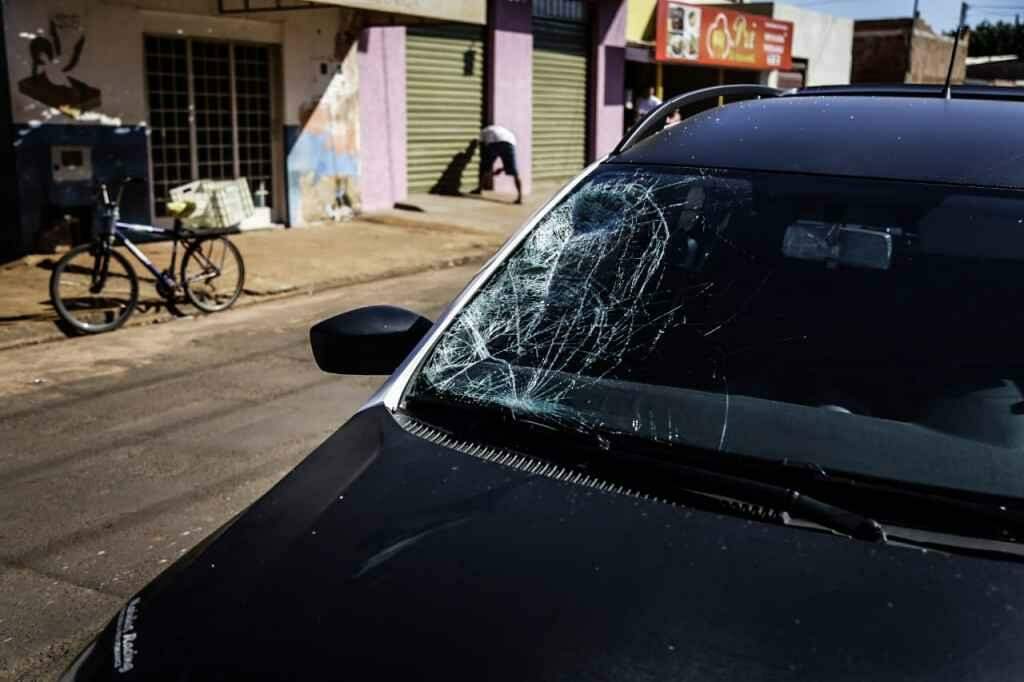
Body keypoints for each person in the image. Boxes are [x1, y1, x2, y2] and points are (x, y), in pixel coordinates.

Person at [471, 124, 522, 204]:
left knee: (484, 166)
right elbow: (507, 156)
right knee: (514, 172)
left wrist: (487, 163)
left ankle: (479, 189)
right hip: (510, 143)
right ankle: (520, 198)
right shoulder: (503, 130)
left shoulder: (484, 131)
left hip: (494, 143)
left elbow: (482, 145)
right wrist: (503, 169)